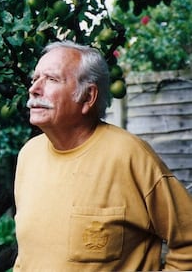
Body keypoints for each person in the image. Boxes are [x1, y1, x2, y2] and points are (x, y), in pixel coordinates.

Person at [13, 40, 192, 271]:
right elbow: (28, 254)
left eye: (52, 79)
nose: (34, 89)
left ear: (88, 97)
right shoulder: (29, 155)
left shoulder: (130, 155)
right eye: (34, 79)